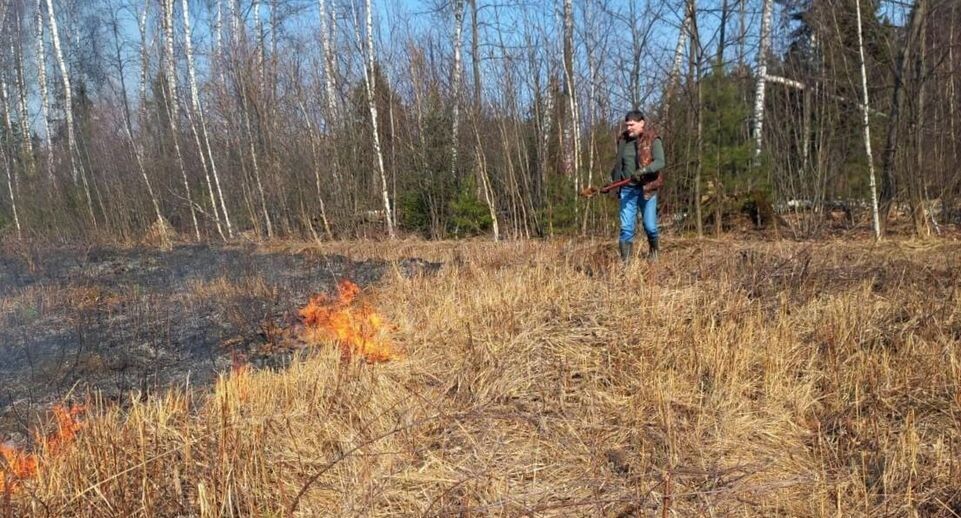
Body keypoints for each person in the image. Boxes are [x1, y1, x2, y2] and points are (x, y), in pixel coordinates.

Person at [609, 110, 665, 263]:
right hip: (627, 189)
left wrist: (643, 171)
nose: (628, 128)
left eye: (632, 125)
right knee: (626, 228)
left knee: (650, 227)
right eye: (627, 125)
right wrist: (613, 182)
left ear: (642, 123)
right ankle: (626, 265)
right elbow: (619, 164)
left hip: (647, 189)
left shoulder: (653, 139)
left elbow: (660, 162)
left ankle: (654, 253)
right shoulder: (622, 140)